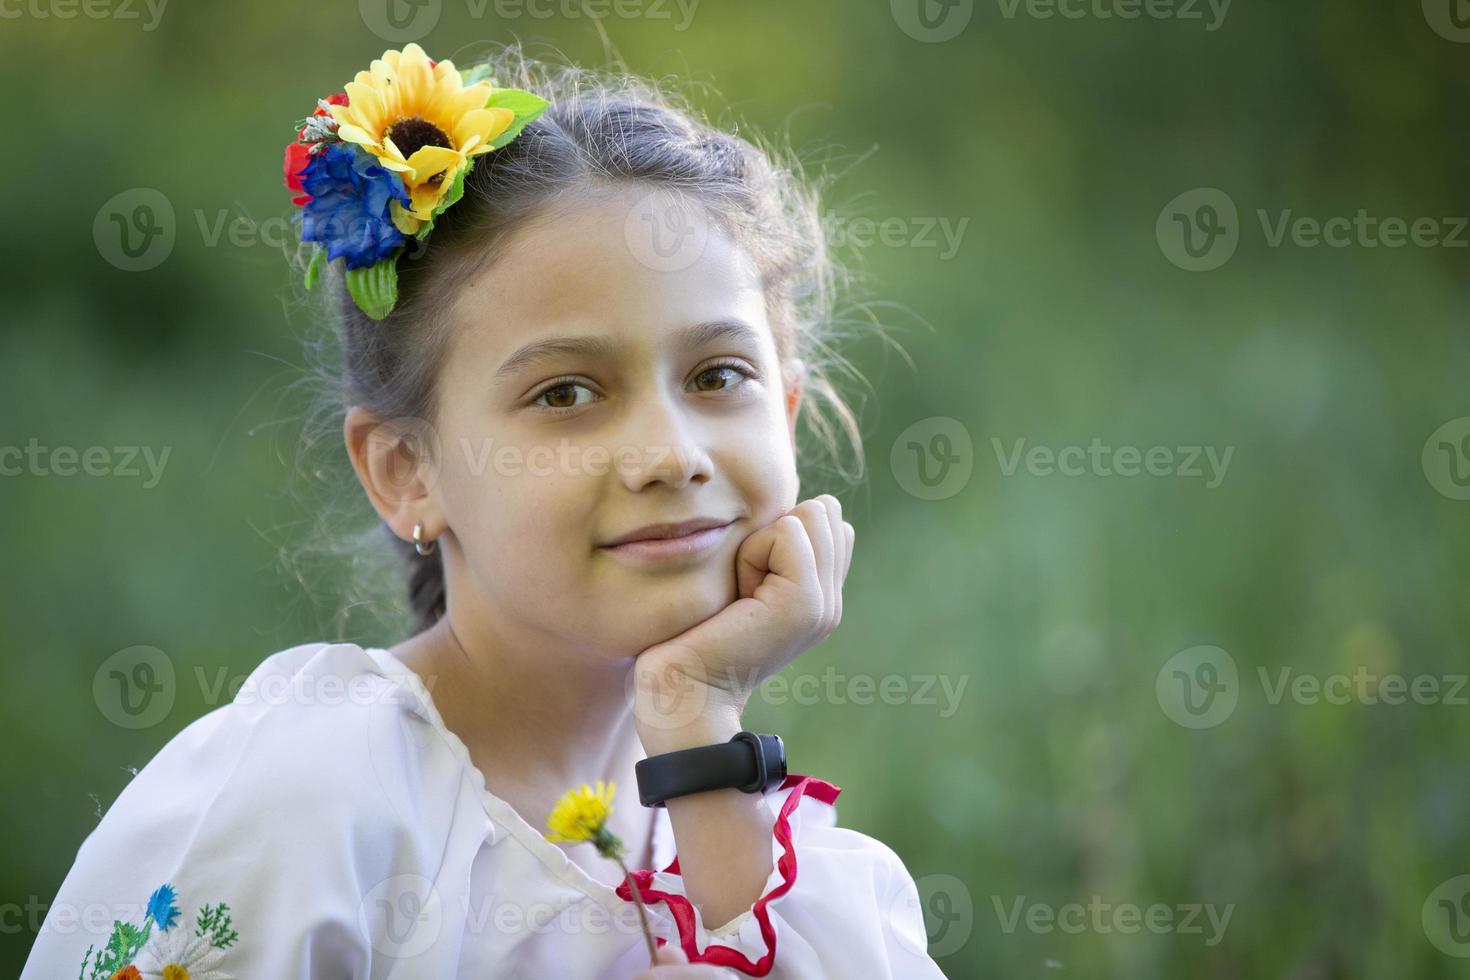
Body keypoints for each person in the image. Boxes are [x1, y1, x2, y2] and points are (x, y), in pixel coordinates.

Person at [23, 42, 947, 979]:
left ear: (786, 413)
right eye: (565, 394)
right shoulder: (309, 804)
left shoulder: (781, 866)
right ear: (406, 473)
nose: (672, 453)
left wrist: (698, 718)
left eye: (718, 375)